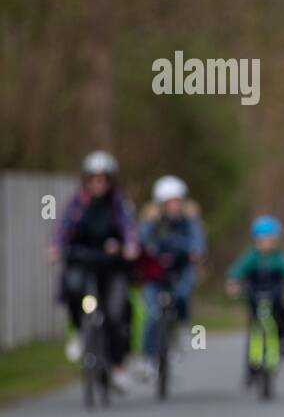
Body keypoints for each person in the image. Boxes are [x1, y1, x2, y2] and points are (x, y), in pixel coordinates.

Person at [52, 151, 139, 391]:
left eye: (103, 179)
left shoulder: (119, 203)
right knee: (72, 289)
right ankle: (80, 333)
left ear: (110, 181)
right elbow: (62, 228)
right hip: (84, 262)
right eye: (94, 179)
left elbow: (129, 228)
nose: (98, 184)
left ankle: (117, 367)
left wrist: (129, 246)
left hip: (112, 267)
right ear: (87, 180)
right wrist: (56, 248)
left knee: (116, 312)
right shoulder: (77, 203)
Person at [137, 176, 207, 373]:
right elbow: (141, 241)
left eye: (177, 202)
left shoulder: (190, 220)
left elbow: (197, 240)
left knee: (183, 295)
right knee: (153, 313)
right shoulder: (151, 221)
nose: (174, 206)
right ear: (161, 204)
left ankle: (183, 328)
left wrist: (196, 251)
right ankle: (148, 358)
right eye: (169, 202)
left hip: (180, 270)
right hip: (156, 272)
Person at [225, 216, 284, 357]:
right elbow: (238, 269)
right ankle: (252, 369)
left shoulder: (279, 257)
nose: (265, 244)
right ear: (256, 240)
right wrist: (233, 282)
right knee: (254, 326)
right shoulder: (251, 256)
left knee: (281, 312)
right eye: (261, 240)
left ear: (275, 240)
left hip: (275, 295)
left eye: (269, 239)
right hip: (255, 294)